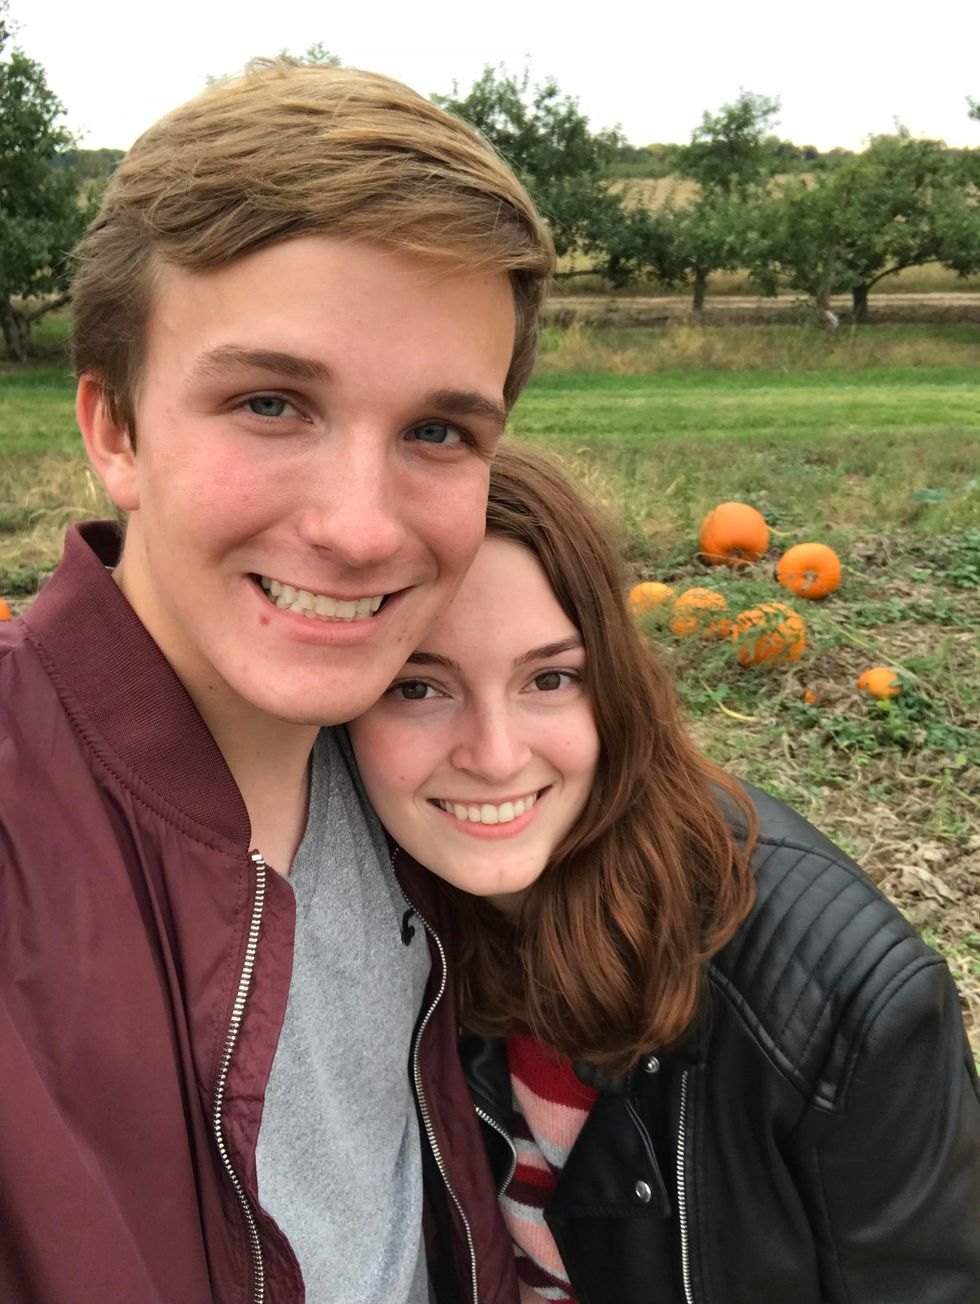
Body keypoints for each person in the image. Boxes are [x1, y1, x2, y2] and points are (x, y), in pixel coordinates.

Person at [0, 62, 554, 1303]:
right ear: (115, 430)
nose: (359, 529)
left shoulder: (424, 778)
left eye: (435, 431)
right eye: (270, 403)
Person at [348, 443, 980, 1304]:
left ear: (615, 688)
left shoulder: (840, 1003)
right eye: (418, 687)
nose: (494, 757)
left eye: (550, 678)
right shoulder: (351, 920)